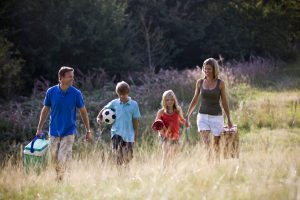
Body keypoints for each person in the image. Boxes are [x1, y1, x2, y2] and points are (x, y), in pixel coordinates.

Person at [36, 66, 91, 181]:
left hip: (69, 131)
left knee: (62, 157)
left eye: (73, 76)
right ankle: (62, 177)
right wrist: (39, 128)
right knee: (54, 158)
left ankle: (61, 180)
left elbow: (83, 112)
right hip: (54, 130)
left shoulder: (76, 93)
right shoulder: (51, 92)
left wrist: (88, 130)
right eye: (70, 76)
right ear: (61, 78)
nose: (72, 79)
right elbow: (45, 110)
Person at [186, 58, 233, 161]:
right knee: (207, 144)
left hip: (216, 117)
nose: (207, 71)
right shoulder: (199, 82)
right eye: (205, 69)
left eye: (209, 69)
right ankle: (208, 165)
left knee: (216, 146)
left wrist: (229, 118)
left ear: (214, 69)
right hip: (202, 117)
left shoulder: (220, 84)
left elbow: (224, 102)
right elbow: (195, 100)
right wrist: (188, 116)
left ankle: (216, 166)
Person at [97, 81, 141, 167]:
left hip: (129, 135)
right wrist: (99, 117)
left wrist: (135, 135)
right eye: (120, 95)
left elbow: (135, 121)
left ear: (127, 93)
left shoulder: (134, 104)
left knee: (128, 156)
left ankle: (126, 171)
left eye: (124, 95)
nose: (122, 97)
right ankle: (119, 172)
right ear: (117, 93)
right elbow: (105, 108)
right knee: (117, 154)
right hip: (116, 133)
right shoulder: (114, 103)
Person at [154, 90, 188, 167]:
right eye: (167, 100)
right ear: (164, 101)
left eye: (171, 99)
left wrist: (186, 123)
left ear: (174, 100)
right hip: (164, 136)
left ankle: (173, 170)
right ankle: (164, 170)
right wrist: (161, 128)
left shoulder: (178, 110)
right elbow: (155, 124)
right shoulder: (161, 112)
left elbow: (181, 119)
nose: (169, 101)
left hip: (175, 135)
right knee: (166, 152)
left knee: (173, 155)